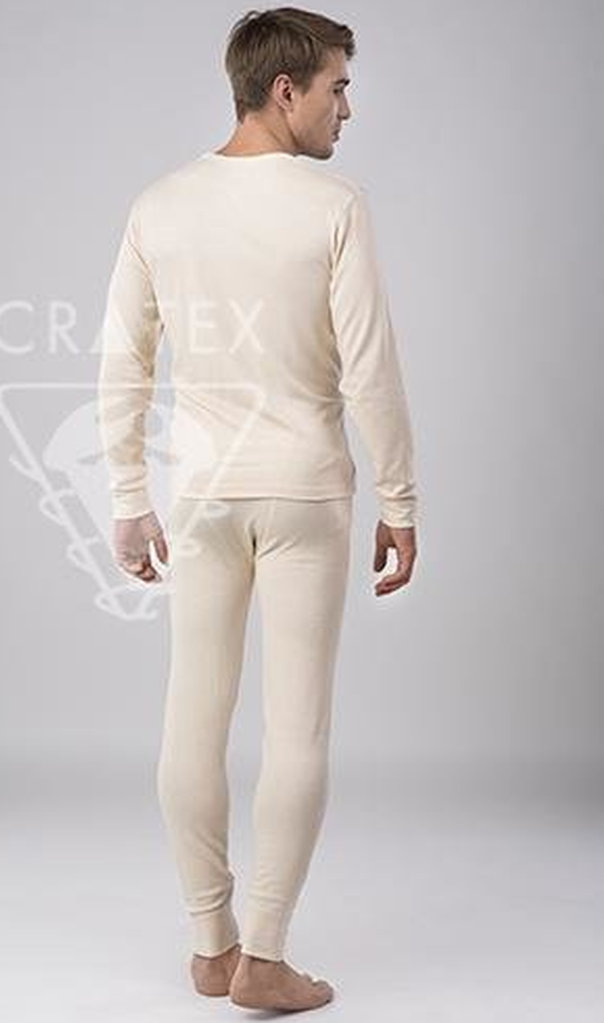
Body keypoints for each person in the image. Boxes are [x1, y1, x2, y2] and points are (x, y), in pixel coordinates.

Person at [97, 6, 419, 1012]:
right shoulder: (333, 205)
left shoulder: (160, 205)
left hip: (200, 492)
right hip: (304, 492)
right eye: (336, 88)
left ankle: (211, 945)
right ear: (285, 91)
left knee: (191, 716)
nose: (346, 109)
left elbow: (121, 364)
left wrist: (128, 498)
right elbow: (369, 369)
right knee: (296, 729)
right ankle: (265, 957)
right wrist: (400, 497)